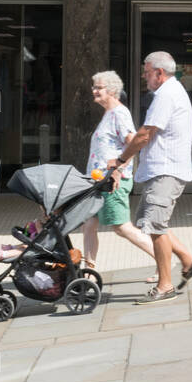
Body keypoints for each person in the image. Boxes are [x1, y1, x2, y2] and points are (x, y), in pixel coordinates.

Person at [115, 52, 192, 303]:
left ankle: (165, 286)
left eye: (146, 72)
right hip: (162, 170)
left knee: (154, 226)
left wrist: (122, 160)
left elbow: (145, 134)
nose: (144, 76)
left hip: (166, 170)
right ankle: (188, 261)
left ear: (159, 73)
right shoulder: (171, 92)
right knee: (150, 222)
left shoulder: (165, 95)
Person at [81, 70, 157, 274]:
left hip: (113, 181)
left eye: (99, 87)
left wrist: (118, 169)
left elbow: (132, 143)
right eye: (94, 86)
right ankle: (88, 272)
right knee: (89, 224)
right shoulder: (109, 113)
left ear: (112, 90)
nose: (94, 90)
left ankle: (163, 261)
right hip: (98, 182)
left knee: (122, 227)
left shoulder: (119, 113)